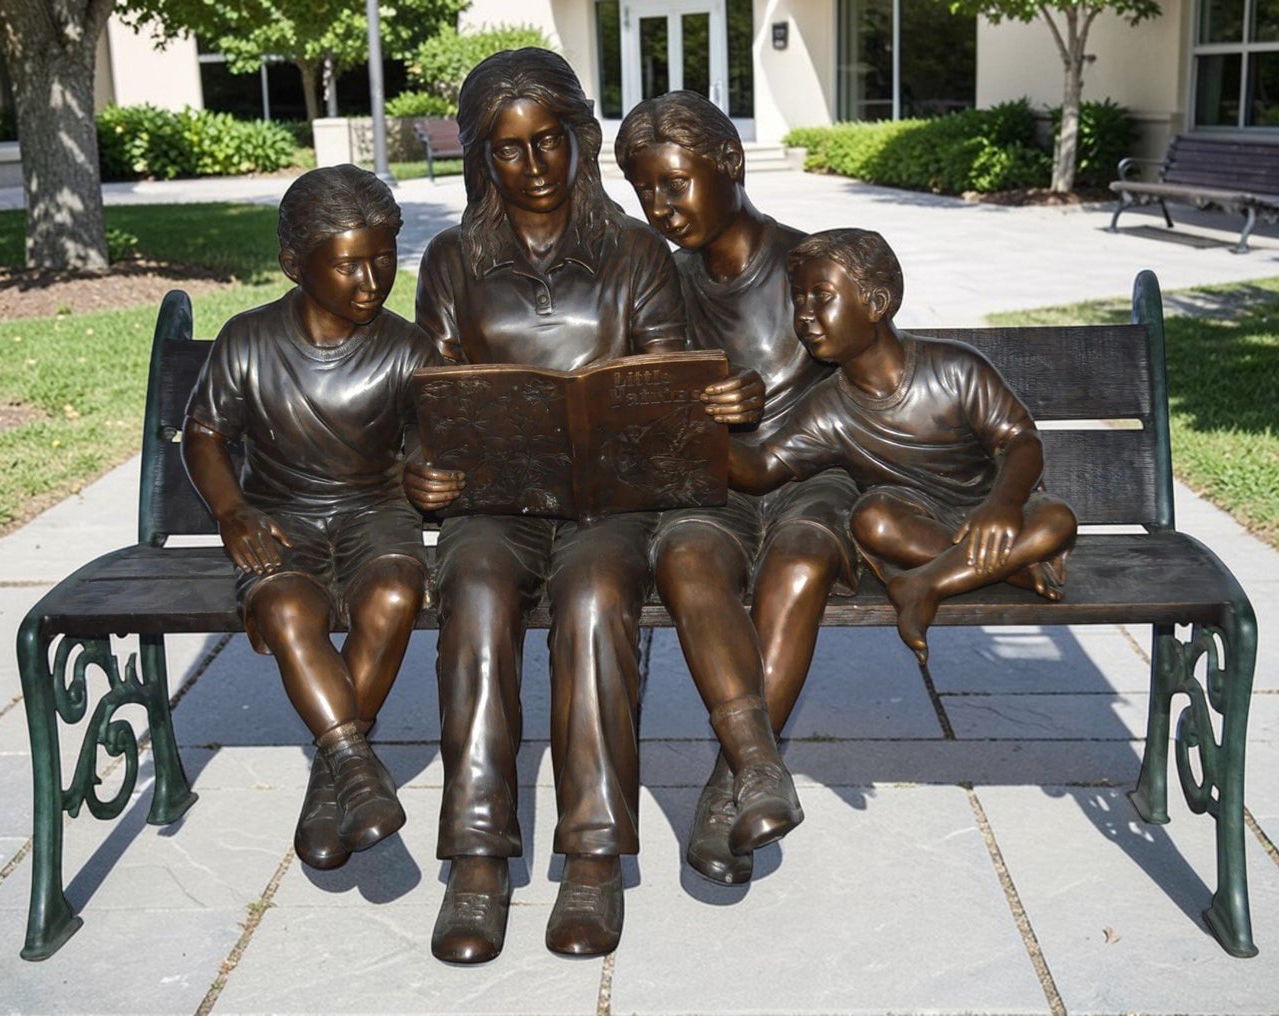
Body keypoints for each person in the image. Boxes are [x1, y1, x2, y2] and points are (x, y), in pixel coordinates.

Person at [406, 49, 750, 963]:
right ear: (483, 158)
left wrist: (680, 413)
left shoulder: (635, 253)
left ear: (576, 137)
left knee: (597, 600)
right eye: (507, 150)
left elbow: (669, 384)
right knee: (473, 588)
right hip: (496, 497)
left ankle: (593, 858)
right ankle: (476, 859)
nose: (531, 165)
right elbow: (428, 398)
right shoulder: (450, 261)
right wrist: (423, 472)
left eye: (547, 141)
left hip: (611, 504)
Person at [615, 92, 860, 886]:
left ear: (731, 165)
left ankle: (729, 783)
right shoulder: (661, 284)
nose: (660, 207)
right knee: (684, 557)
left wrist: (771, 404)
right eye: (643, 189)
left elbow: (876, 381)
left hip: (813, 481)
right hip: (711, 489)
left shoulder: (811, 267)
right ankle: (758, 763)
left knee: (798, 562)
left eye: (675, 183)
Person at [183, 164, 438, 872]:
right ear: (295, 265)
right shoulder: (248, 339)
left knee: (391, 594)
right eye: (349, 264)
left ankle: (334, 780)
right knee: (288, 605)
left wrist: (429, 474)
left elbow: (426, 446)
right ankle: (355, 765)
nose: (371, 280)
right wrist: (231, 509)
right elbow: (204, 435)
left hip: (375, 517)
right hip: (281, 521)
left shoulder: (406, 349)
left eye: (383, 258)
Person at [727, 228, 1077, 663]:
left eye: (822, 296)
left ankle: (925, 583)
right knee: (872, 519)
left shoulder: (954, 368)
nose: (805, 315)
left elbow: (1021, 441)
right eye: (799, 300)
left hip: (993, 508)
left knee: (1056, 519)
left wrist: (1003, 505)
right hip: (918, 523)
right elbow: (761, 469)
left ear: (876, 304)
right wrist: (694, 428)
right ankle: (1019, 569)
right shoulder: (826, 408)